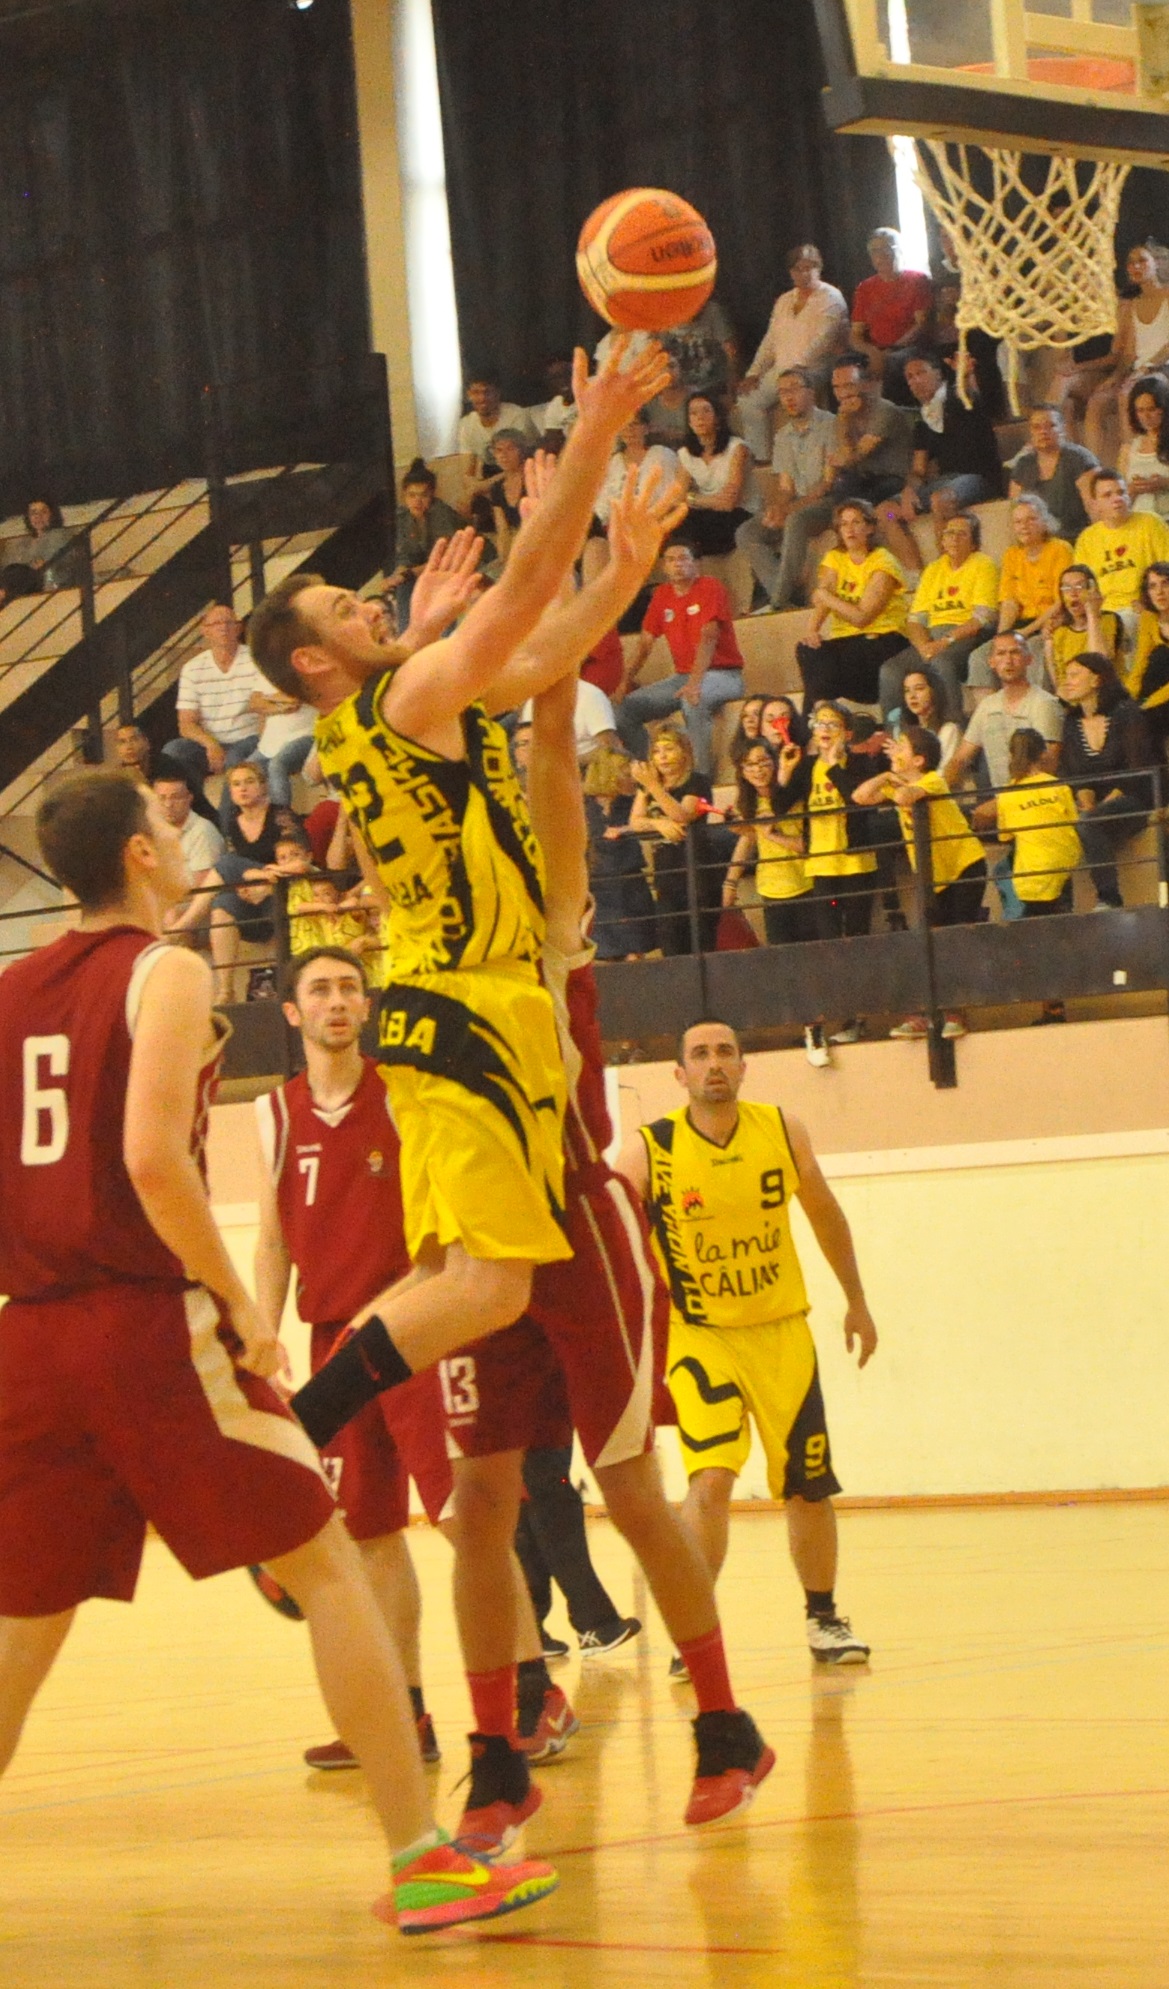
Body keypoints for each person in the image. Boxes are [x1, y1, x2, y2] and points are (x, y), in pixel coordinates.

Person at [0, 769, 557, 1936]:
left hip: (33, 1332)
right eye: (161, 821)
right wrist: (232, 1300)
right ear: (140, 857)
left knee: (24, 1618)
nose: (174, 830)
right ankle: (421, 1859)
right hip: (141, 1323)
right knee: (327, 1561)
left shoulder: (12, 988)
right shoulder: (166, 967)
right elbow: (155, 1159)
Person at [250, 340, 681, 1482]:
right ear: (316, 659)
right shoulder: (400, 698)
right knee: (488, 1288)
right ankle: (296, 1433)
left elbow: (545, 649)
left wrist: (623, 569)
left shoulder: (404, 701)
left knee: (467, 1286)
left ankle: (303, 1432)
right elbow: (526, 597)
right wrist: (590, 433)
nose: (375, 602)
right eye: (350, 605)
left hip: (455, 1012)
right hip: (463, 1011)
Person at [252, 944, 577, 1778]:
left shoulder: (404, 1092)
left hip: (414, 1328)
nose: (336, 1001)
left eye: (349, 988)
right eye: (319, 989)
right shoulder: (275, 1112)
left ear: (366, 1006)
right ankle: (404, 1715)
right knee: (367, 1537)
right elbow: (274, 1234)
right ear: (291, 1012)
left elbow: (440, 1230)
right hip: (332, 1341)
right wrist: (261, 1329)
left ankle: (535, 1691)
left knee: (464, 1518)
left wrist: (390, 1307)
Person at [616, 1019, 876, 1671]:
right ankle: (694, 1633)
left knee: (808, 1486)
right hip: (699, 1337)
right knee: (710, 1478)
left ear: (743, 1066)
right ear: (677, 1073)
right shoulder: (650, 1149)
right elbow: (613, 1243)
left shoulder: (781, 1130)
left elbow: (824, 1214)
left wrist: (856, 1299)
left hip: (781, 1330)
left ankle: (823, 1617)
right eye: (699, 1053)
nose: (713, 1063)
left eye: (724, 1052)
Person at [854, 727, 986, 1038]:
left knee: (951, 940)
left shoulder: (933, 780)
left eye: (901, 747)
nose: (894, 751)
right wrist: (888, 775)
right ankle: (926, 1014)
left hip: (963, 866)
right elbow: (861, 795)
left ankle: (955, 1014)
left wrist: (892, 779)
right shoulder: (900, 779)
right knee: (926, 941)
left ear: (919, 759)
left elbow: (904, 797)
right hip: (933, 876)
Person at [720, 739, 826, 1067]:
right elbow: (748, 840)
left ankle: (821, 1027)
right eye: (749, 764)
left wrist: (773, 835)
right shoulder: (748, 802)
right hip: (773, 890)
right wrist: (730, 880)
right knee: (786, 965)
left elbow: (808, 844)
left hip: (809, 885)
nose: (758, 769)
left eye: (764, 761)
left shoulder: (792, 794)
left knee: (816, 961)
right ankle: (808, 1025)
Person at [615, 537, 746, 776]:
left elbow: (709, 636)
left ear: (696, 563)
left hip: (724, 675)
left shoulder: (710, 586)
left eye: (684, 558)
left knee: (691, 701)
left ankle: (699, 777)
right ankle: (652, 773)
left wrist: (695, 684)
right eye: (671, 560)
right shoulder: (662, 595)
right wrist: (624, 680)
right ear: (663, 567)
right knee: (625, 709)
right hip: (682, 677)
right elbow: (645, 643)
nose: (677, 564)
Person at [735, 367, 838, 613]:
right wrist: (777, 507)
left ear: (810, 392)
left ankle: (777, 601)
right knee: (747, 531)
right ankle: (786, 597)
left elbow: (827, 484)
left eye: (794, 390)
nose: (788, 398)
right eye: (782, 393)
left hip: (828, 501)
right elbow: (786, 488)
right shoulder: (782, 436)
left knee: (795, 519)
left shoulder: (831, 425)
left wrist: (789, 509)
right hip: (799, 500)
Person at [1059, 651, 1155, 909]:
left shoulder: (1126, 713)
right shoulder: (1071, 721)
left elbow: (1137, 770)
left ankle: (1109, 897)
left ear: (1097, 680)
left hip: (1133, 797)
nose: (1068, 681)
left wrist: (1099, 808)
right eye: (1066, 676)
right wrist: (1087, 801)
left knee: (1091, 821)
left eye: (1075, 675)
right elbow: (1076, 774)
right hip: (1097, 804)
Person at [736, 245, 849, 462]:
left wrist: (796, 370)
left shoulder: (831, 297)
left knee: (794, 392)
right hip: (782, 369)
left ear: (819, 268)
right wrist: (754, 372)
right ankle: (762, 459)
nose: (805, 273)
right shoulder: (784, 300)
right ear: (791, 272)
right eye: (799, 268)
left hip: (813, 369)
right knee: (748, 400)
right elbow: (770, 340)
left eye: (810, 267)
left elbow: (823, 341)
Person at [887, 349, 1003, 560]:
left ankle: (947, 567)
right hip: (946, 481)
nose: (915, 381)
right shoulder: (923, 420)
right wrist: (908, 491)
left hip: (979, 479)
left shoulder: (956, 396)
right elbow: (919, 468)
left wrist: (964, 374)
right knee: (885, 512)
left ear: (939, 374)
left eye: (921, 373)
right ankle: (916, 575)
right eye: (910, 378)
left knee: (939, 500)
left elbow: (970, 395)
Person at [796, 498, 910, 709]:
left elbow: (861, 617)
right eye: (844, 524)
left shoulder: (883, 560)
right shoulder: (835, 558)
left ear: (869, 527)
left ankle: (816, 720)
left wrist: (826, 597)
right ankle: (820, 711)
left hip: (882, 640)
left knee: (821, 675)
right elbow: (822, 597)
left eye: (856, 522)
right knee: (807, 650)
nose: (850, 529)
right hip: (847, 644)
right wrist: (812, 630)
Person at [884, 512, 999, 719]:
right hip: (931, 639)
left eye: (961, 534)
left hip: (966, 636)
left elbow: (983, 617)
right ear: (942, 540)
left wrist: (944, 642)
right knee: (891, 670)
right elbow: (915, 619)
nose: (954, 538)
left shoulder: (984, 565)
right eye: (949, 533)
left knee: (941, 662)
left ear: (974, 543)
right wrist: (924, 647)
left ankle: (951, 726)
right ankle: (900, 735)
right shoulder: (933, 569)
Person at [1064, 244, 1169, 467]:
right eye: (1131, 263)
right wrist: (1116, 376)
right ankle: (1095, 469)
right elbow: (1128, 355)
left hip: (1162, 367)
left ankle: (1134, 463)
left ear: (1156, 263)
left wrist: (1147, 368)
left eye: (1142, 261)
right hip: (1137, 371)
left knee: (1126, 395)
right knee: (1096, 402)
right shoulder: (1131, 305)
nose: (1136, 266)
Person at [163, 605, 267, 815]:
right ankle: (201, 812)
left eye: (229, 622)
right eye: (216, 623)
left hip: (249, 737)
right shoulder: (193, 668)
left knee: (235, 759)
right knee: (173, 752)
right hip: (212, 742)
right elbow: (186, 723)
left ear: (239, 628)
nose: (223, 628)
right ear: (205, 630)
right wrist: (211, 745)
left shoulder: (256, 660)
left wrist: (264, 743)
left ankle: (226, 823)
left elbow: (266, 710)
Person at [629, 728, 721, 956]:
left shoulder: (697, 782)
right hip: (666, 872)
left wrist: (653, 788)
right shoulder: (649, 786)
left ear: (684, 752)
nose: (662, 756)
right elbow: (635, 821)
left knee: (700, 941)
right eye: (657, 751)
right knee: (671, 941)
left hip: (696, 869)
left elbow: (682, 815)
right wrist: (659, 824)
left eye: (669, 749)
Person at [967, 496, 1072, 690]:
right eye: (1018, 522)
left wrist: (1025, 632)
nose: (1024, 526)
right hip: (1020, 625)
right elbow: (1009, 603)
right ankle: (992, 714)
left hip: (1051, 622)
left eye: (1030, 519)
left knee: (1032, 649)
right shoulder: (1012, 555)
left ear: (1044, 521)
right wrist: (1001, 638)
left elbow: (1060, 602)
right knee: (980, 657)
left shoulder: (1060, 549)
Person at [946, 631, 1063, 797]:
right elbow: (960, 759)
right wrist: (938, 792)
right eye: (1001, 653)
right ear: (991, 662)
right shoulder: (987, 706)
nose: (1008, 660)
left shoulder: (1044, 703)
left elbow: (1048, 765)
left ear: (1029, 659)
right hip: (1001, 802)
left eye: (1015, 652)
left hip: (1038, 800)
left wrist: (1000, 804)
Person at [992, 728, 1083, 934]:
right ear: (1043, 753)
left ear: (1011, 755)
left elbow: (1005, 836)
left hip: (1033, 874)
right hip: (1066, 861)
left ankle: (1013, 918)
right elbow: (1073, 820)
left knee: (1002, 869)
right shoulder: (1058, 785)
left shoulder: (1008, 793)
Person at [583, 746, 658, 961]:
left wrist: (625, 830)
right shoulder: (584, 804)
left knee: (635, 951)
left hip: (630, 880)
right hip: (599, 884)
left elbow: (650, 823)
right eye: (627, 773)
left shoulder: (634, 801)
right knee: (605, 953)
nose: (633, 779)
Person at [1074, 471, 1169, 635]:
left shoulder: (1151, 524)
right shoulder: (1087, 539)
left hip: (1142, 608)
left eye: (1121, 492)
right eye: (1107, 495)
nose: (1117, 499)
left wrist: (1148, 603)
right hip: (1104, 613)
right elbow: (1082, 584)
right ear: (1095, 504)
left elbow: (1166, 570)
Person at [849, 228, 934, 399]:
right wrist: (872, 353)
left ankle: (895, 416)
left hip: (908, 347)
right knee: (842, 367)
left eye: (887, 248)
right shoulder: (865, 288)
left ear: (899, 250)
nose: (881, 255)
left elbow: (921, 324)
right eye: (875, 251)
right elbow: (855, 335)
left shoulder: (917, 280)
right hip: (875, 348)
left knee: (893, 362)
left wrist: (891, 350)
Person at [385, 459, 466, 630]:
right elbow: (404, 556)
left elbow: (445, 559)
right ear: (404, 495)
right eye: (412, 495)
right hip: (422, 570)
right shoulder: (402, 517)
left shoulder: (441, 514)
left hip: (452, 567)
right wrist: (396, 576)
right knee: (403, 586)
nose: (417, 501)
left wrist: (406, 574)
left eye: (423, 495)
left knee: (435, 586)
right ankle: (407, 635)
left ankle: (444, 637)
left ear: (432, 495)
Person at [676, 394, 756, 556]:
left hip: (738, 512)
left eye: (706, 411)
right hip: (705, 512)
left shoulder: (737, 448)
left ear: (718, 417)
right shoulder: (685, 453)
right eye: (694, 413)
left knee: (700, 529)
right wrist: (710, 500)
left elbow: (729, 503)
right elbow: (678, 497)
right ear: (689, 422)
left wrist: (693, 499)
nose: (700, 418)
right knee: (676, 524)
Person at [1007, 404, 1098, 542]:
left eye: (1051, 426)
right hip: (1040, 546)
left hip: (1079, 541)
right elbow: (1016, 513)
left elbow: (1095, 510)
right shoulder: (1023, 466)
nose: (1043, 432)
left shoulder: (1079, 459)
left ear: (1063, 429)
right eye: (1036, 427)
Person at [1043, 563, 1122, 697]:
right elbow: (1061, 684)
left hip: (1108, 696)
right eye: (1066, 587)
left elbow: (1099, 662)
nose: (1073, 593)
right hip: (1075, 701)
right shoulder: (1060, 632)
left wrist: (1092, 613)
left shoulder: (1109, 620)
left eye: (1079, 586)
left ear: (1093, 590)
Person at [456, 373, 535, 503]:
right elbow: (467, 473)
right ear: (469, 395)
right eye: (476, 393)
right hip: (490, 475)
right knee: (466, 504)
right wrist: (474, 490)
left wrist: (484, 486)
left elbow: (521, 464)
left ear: (497, 393)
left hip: (522, 473)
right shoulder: (466, 424)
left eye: (487, 392)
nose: (482, 398)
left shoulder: (516, 415)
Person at [0, 497, 81, 604]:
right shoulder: (23, 541)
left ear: (52, 514)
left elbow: (57, 562)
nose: (39, 517)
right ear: (28, 517)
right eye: (34, 513)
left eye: (44, 512)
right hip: (24, 583)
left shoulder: (59, 535)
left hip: (47, 580)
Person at [884, 664, 961, 772]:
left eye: (919, 689)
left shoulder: (949, 729)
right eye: (907, 690)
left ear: (934, 691)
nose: (912, 696)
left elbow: (942, 775)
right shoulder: (904, 732)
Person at [1125, 560, 1169, 745]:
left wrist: (1147, 705)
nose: (1159, 592)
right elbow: (1140, 664)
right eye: (1152, 586)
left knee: (1162, 656)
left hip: (1160, 699)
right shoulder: (1149, 618)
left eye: (1165, 584)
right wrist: (1127, 701)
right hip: (1153, 697)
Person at [1118, 376, 1169, 519]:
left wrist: (1164, 483)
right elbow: (1118, 492)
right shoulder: (1128, 449)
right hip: (1138, 522)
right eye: (1140, 410)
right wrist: (1132, 490)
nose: (1146, 416)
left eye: (1151, 409)